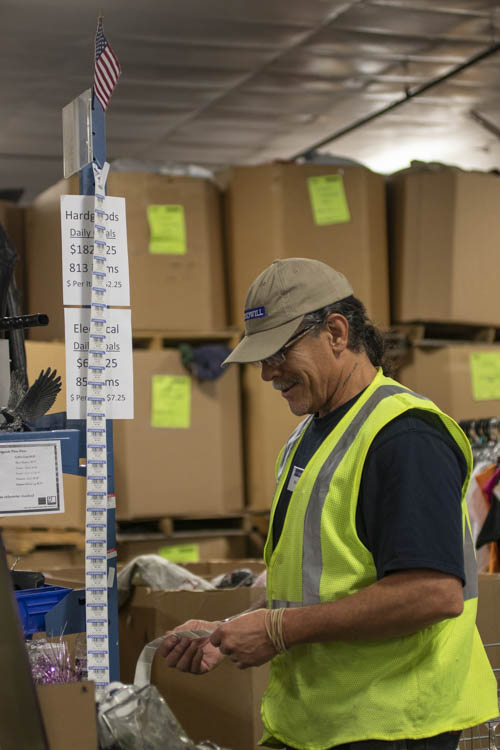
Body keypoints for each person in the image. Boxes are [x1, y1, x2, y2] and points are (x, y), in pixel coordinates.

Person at [159, 258, 498, 750]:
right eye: (260, 356)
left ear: (337, 332)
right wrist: (230, 628)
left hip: (390, 725)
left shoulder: (404, 437)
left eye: (278, 351)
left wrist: (276, 630)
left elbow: (432, 592)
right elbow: (321, 582)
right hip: (323, 723)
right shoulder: (311, 435)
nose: (267, 372)